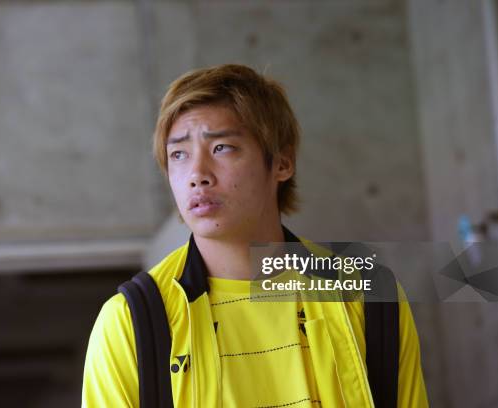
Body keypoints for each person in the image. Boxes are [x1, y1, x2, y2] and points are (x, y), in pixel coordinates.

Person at [81, 64, 429, 407]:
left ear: (281, 163)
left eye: (221, 148)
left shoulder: (366, 297)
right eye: (179, 155)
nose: (197, 175)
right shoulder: (131, 322)